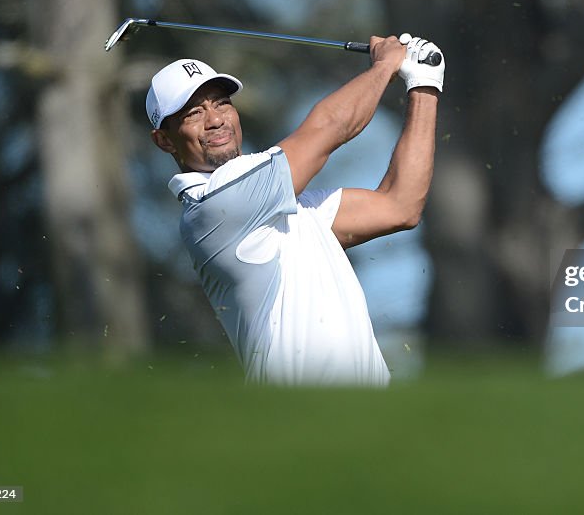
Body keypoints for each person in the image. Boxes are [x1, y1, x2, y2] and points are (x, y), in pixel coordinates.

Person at [145, 34, 443, 386]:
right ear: (164, 140)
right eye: (194, 112)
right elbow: (330, 128)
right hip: (304, 420)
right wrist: (385, 65)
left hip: (369, 420)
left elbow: (400, 206)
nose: (215, 120)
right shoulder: (215, 205)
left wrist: (424, 84)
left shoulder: (286, 208)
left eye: (222, 103)